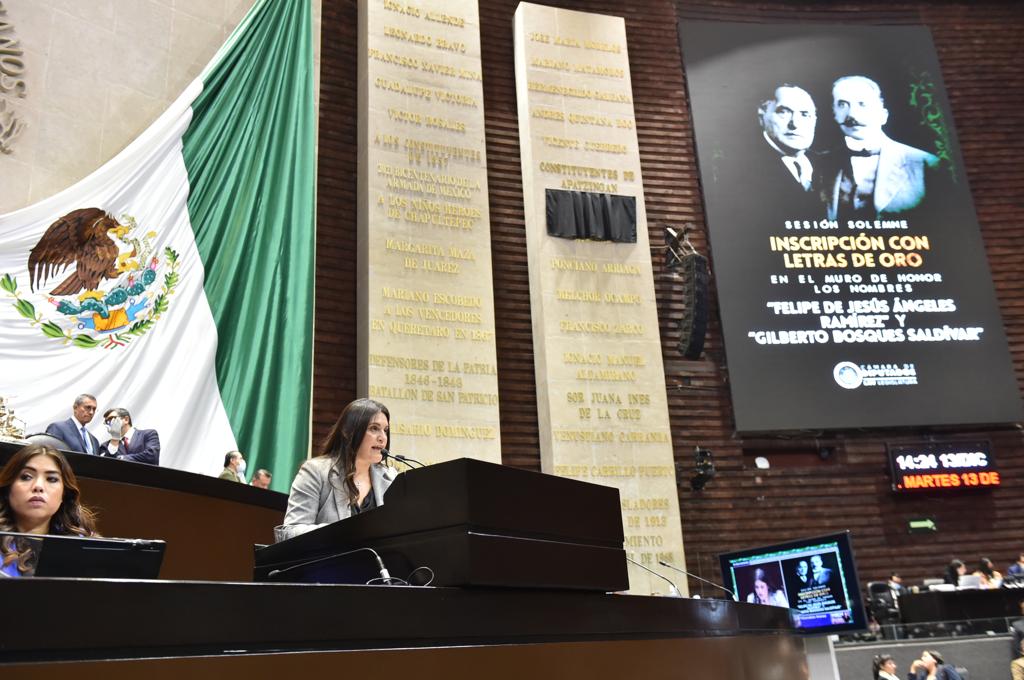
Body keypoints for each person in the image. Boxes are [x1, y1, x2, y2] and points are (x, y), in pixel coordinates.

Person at [278, 398, 398, 541]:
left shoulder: (390, 478)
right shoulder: (315, 471)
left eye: (385, 430)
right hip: (328, 555)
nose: (382, 438)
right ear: (349, 431)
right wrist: (341, 532)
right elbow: (289, 532)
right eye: (374, 428)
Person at [822, 75, 940, 220]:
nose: (852, 114)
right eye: (842, 105)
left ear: (883, 115)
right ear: (834, 114)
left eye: (862, 104)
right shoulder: (821, 164)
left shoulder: (926, 164)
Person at [0, 443, 98, 577]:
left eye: (51, 479)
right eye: (26, 477)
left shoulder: (85, 546)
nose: (38, 486)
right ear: (8, 489)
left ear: (64, 494)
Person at [754, 84, 822, 213]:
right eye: (783, 112)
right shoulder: (745, 167)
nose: (795, 123)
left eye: (804, 114)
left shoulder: (827, 164)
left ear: (814, 120)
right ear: (762, 116)